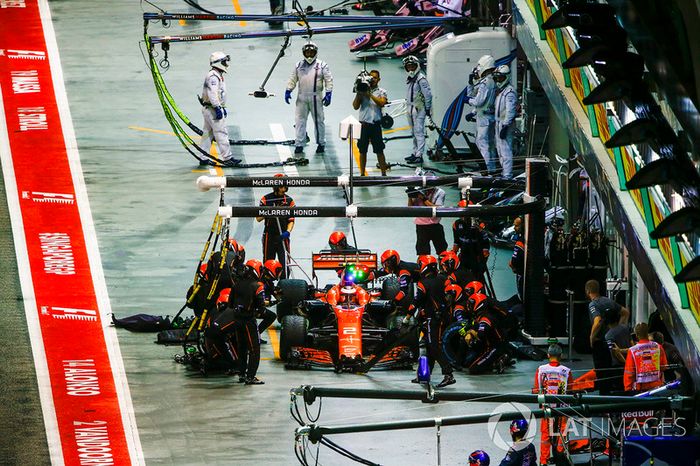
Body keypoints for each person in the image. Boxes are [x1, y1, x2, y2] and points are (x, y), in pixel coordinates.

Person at [208, 260, 267, 384]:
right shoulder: (258, 286)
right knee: (254, 350)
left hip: (237, 319)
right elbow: (261, 308)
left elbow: (230, 304)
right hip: (248, 320)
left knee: (242, 348)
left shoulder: (236, 284)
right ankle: (250, 377)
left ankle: (241, 374)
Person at [407, 255, 455, 388]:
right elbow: (451, 295)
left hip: (431, 319)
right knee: (429, 346)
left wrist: (408, 316)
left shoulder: (423, 283)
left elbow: (417, 301)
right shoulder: (444, 279)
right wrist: (443, 309)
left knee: (434, 346)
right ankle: (424, 374)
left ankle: (448, 374)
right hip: (443, 317)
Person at [285, 42, 333, 155]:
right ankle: (299, 144)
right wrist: (288, 89)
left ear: (316, 52)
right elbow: (293, 78)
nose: (309, 54)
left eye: (312, 52)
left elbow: (328, 79)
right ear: (304, 53)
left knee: (319, 121)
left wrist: (329, 93)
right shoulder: (298, 65)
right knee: (299, 121)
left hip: (316, 97)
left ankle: (321, 143)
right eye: (307, 52)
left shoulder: (322, 65)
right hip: (301, 97)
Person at [585, 279, 630, 393]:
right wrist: (619, 327)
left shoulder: (593, 304)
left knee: (602, 371)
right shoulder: (608, 300)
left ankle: (603, 396)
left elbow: (598, 320)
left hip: (601, 342)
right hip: (614, 342)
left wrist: (591, 337)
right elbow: (625, 312)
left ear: (588, 291)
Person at [197, 51, 241, 167]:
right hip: (212, 110)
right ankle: (227, 158)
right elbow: (213, 94)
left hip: (209, 109)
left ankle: (203, 157)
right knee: (221, 133)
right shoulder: (213, 77)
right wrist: (217, 108)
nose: (226, 63)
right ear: (219, 63)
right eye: (224, 61)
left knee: (208, 134)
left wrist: (222, 107)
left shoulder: (217, 75)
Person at [533, 344, 573, 465]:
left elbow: (536, 390)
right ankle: (560, 459)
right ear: (560, 356)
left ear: (548, 355)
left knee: (545, 436)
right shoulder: (566, 371)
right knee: (561, 435)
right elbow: (571, 390)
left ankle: (544, 461)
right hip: (563, 410)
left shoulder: (541, 370)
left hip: (547, 409)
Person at [257, 174, 295, 279]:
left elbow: (291, 220)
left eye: (286, 185)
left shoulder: (289, 201)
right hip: (269, 236)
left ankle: (285, 286)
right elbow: (258, 218)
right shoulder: (266, 199)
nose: (285, 188)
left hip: (283, 236)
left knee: (285, 264)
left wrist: (287, 232)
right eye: (283, 185)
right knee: (267, 264)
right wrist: (269, 212)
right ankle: (266, 288)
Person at [352, 69, 389, 176]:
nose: (373, 80)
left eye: (375, 78)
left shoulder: (382, 91)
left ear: (379, 79)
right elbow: (355, 106)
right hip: (363, 125)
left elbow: (382, 103)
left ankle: (384, 174)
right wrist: (359, 94)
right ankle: (362, 174)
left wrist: (370, 95)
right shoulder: (362, 90)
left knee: (379, 150)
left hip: (376, 125)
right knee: (362, 151)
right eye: (371, 77)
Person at [466, 55, 497, 174]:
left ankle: (487, 170)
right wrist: (473, 112)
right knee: (490, 144)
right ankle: (493, 169)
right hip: (490, 116)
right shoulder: (493, 81)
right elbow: (487, 101)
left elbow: (478, 101)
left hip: (484, 118)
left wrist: (467, 100)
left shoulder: (485, 83)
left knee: (482, 144)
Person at [403, 55, 432, 164]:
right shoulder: (411, 79)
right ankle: (415, 152)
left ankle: (419, 155)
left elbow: (428, 95)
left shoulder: (421, 79)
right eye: (408, 66)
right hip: (410, 108)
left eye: (412, 66)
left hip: (419, 109)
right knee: (413, 132)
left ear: (417, 66)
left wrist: (427, 108)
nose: (410, 69)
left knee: (419, 132)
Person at [452, 200, 491, 283]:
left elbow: (486, 245)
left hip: (477, 257)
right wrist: (453, 254)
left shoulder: (479, 225)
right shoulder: (456, 224)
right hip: (464, 256)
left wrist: (482, 260)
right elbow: (456, 242)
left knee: (478, 278)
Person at [623, 322, 667, 393]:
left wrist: (627, 389)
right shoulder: (658, 347)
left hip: (640, 389)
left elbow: (629, 372)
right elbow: (664, 366)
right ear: (648, 333)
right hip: (657, 387)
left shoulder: (632, 350)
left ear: (636, 335)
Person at [409, 177, 448, 255]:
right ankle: (424, 266)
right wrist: (410, 196)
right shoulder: (419, 190)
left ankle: (444, 266)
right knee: (422, 252)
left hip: (435, 225)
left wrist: (423, 199)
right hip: (421, 226)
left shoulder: (440, 192)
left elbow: (437, 209)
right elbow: (410, 208)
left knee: (442, 250)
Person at [493, 64, 517, 178]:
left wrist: (505, 126)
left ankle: (507, 175)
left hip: (505, 125)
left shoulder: (509, 92)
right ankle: (504, 173)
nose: (498, 80)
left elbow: (510, 110)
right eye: (497, 78)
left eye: (500, 78)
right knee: (500, 149)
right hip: (499, 123)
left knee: (506, 150)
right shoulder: (502, 91)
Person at [258, 259, 283, 343]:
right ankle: (255, 335)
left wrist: (280, 293)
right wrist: (273, 302)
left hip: (256, 305)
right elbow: (263, 302)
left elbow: (275, 293)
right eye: (278, 271)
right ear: (272, 270)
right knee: (271, 316)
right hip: (252, 307)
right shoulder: (261, 283)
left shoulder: (267, 281)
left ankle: (256, 334)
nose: (279, 274)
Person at [508, 217, 524, 300]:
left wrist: (513, 266)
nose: (514, 228)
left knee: (522, 296)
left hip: (521, 274)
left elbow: (514, 261)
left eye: (516, 225)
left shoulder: (520, 242)